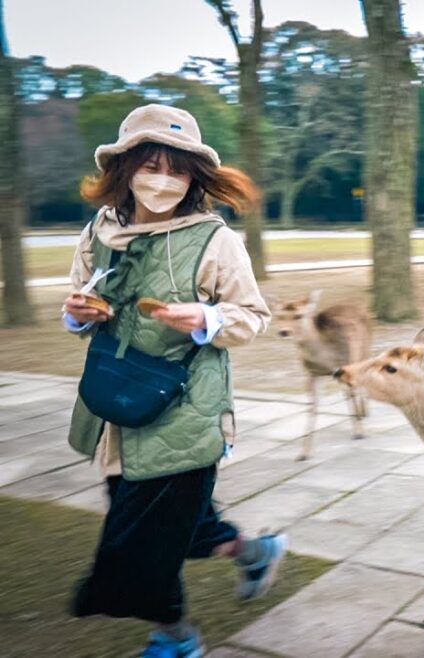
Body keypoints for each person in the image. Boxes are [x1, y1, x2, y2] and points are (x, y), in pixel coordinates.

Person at [62, 104, 284, 658]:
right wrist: (77, 315)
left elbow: (253, 316)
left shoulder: (216, 240)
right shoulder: (101, 231)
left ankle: (174, 638)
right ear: (126, 167)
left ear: (194, 177)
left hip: (185, 406)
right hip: (115, 402)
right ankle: (257, 553)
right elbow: (76, 301)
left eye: (177, 169)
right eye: (151, 165)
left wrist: (206, 320)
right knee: (172, 523)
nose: (163, 180)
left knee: (142, 538)